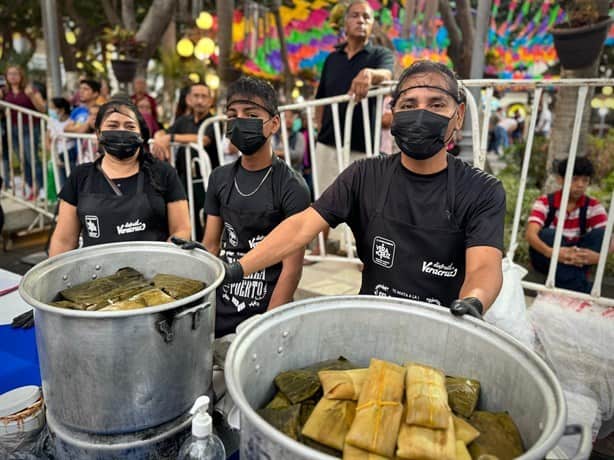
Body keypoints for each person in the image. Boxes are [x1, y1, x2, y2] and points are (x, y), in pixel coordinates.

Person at [222, 61, 506, 318]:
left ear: (459, 115)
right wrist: (233, 270)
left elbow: (484, 267)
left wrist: (472, 303)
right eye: (408, 105)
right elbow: (300, 228)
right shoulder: (364, 176)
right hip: (370, 322)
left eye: (436, 105)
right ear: (392, 113)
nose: (421, 115)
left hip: (443, 327)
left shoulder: (482, 190)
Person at [202, 76, 310, 338]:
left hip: (264, 310)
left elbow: (292, 268)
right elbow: (211, 245)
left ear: (274, 124)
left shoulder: (292, 186)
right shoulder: (219, 178)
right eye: (232, 114)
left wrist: (267, 327)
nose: (239, 121)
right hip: (220, 306)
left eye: (250, 114)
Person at [49, 97, 191, 256]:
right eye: (113, 125)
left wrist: (163, 260)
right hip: (97, 274)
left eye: (130, 126)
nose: (122, 131)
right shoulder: (80, 176)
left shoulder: (164, 173)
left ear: (141, 134)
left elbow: (182, 229)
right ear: (98, 133)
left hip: (153, 273)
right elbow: (64, 241)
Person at [313, 0, 393, 252]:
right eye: (356, 16)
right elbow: (320, 98)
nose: (361, 20)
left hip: (362, 142)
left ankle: (364, 252)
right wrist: (318, 125)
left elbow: (388, 75)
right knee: (323, 195)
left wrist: (370, 73)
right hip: (327, 140)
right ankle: (321, 247)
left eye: (367, 18)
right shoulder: (331, 59)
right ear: (345, 23)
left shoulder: (380, 55)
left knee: (364, 201)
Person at [526, 157, 607, 293]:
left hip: (578, 257)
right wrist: (552, 252)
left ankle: (569, 285)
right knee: (549, 234)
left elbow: (608, 240)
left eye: (585, 180)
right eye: (575, 179)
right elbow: (530, 235)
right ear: (560, 180)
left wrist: (598, 257)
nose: (580, 185)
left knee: (602, 234)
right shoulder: (545, 202)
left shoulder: (593, 206)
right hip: (547, 256)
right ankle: (583, 291)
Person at [152, 82, 220, 240]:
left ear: (211, 100)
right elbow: (164, 132)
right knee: (188, 216)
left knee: (207, 219)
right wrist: (159, 138)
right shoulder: (183, 121)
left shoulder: (213, 121)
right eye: (196, 96)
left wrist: (171, 138)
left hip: (207, 180)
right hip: (184, 177)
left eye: (204, 96)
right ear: (188, 99)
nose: (200, 100)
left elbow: (204, 139)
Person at [0, 65, 46, 196]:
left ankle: (41, 187)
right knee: (22, 159)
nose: (12, 76)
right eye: (9, 74)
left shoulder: (30, 89)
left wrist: (31, 96)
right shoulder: (5, 91)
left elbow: (42, 109)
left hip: (30, 127)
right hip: (13, 128)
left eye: (15, 74)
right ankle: (31, 187)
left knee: (31, 157)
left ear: (21, 76)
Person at [46, 97, 76, 184]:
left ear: (62, 110)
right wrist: (54, 154)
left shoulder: (71, 121)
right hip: (55, 154)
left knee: (70, 180)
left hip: (69, 153)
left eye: (53, 108)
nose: (50, 110)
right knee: (60, 181)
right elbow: (47, 139)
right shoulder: (51, 120)